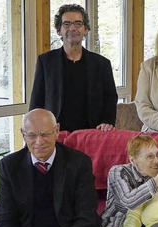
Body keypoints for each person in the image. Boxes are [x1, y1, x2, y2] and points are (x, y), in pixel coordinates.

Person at [29, 4, 118, 132]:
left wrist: (107, 121)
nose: (72, 28)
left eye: (78, 23)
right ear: (59, 30)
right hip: (55, 133)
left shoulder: (102, 64)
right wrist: (34, 128)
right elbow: (37, 99)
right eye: (66, 24)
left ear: (85, 29)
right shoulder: (45, 61)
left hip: (92, 133)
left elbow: (110, 97)